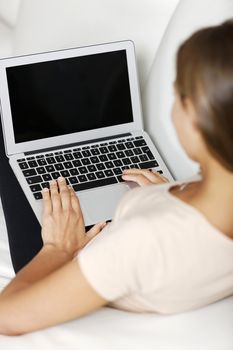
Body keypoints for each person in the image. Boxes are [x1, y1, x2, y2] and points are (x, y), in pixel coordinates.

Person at [0, 20, 233, 336]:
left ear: (196, 122)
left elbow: (8, 316)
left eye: (179, 95)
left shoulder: (140, 243)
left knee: (12, 131)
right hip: (132, 229)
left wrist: (56, 248)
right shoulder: (214, 191)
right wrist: (170, 193)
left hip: (71, 252)